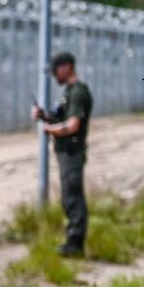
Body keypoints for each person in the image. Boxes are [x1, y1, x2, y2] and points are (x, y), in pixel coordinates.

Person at [32, 51, 92, 256]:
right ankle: (72, 242)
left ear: (67, 67)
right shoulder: (69, 92)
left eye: (57, 70)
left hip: (72, 152)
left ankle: (75, 245)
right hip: (67, 152)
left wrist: (50, 130)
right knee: (69, 197)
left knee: (73, 198)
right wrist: (44, 117)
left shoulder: (78, 93)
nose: (55, 75)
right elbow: (61, 119)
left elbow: (73, 125)